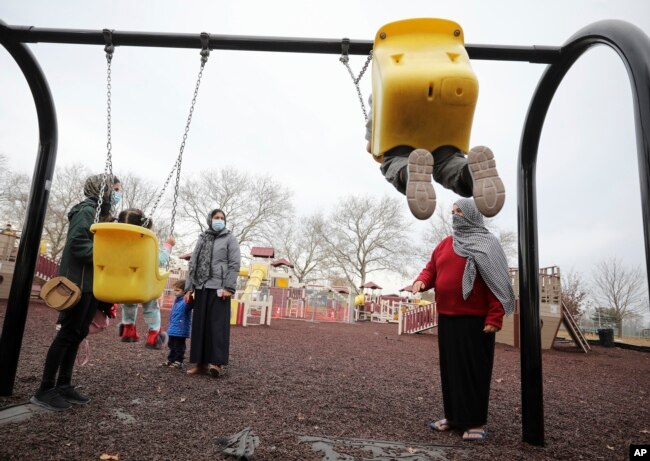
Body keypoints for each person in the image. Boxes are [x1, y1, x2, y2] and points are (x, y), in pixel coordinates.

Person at [411, 198, 514, 441]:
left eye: (460, 212)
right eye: (453, 212)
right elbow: (431, 269)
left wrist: (495, 316)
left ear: (473, 216)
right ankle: (454, 417)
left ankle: (475, 422)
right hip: (447, 317)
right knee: (451, 371)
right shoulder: (446, 243)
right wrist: (421, 281)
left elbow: (497, 284)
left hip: (476, 321)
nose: (456, 216)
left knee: (473, 371)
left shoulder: (487, 244)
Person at [31, 173, 121, 411]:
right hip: (78, 283)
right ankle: (45, 388)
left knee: (79, 332)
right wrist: (108, 255)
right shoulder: (86, 211)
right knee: (67, 334)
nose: (118, 194)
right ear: (104, 191)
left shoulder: (100, 214)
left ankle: (64, 384)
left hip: (91, 285)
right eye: (115, 189)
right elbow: (78, 244)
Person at [364, 95, 505, 221]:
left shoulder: (390, 75)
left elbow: (375, 117)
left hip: (399, 134)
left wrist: (371, 144)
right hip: (443, 128)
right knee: (448, 163)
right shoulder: (448, 67)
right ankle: (469, 172)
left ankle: (408, 172)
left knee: (395, 161)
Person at [185, 209, 241, 377]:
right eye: (216, 218)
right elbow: (193, 264)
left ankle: (216, 363)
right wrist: (189, 288)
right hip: (201, 286)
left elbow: (234, 264)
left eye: (222, 218)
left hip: (220, 288)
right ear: (210, 219)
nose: (219, 220)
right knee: (200, 326)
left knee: (217, 327)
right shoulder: (202, 238)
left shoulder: (230, 238)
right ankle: (200, 364)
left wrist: (229, 288)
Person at [116, 208, 175, 349]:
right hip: (143, 286)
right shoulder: (146, 242)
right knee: (151, 307)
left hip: (122, 285)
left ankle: (128, 330)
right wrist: (168, 245)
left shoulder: (115, 240)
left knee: (128, 303)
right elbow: (160, 260)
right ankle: (154, 335)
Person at [162, 279, 193, 369]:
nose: (175, 292)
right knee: (171, 345)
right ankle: (171, 359)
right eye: (174, 290)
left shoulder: (185, 301)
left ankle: (179, 361)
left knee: (179, 346)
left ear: (184, 291)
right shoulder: (177, 301)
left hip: (180, 329)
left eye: (177, 290)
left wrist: (189, 295)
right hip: (173, 328)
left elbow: (191, 303)